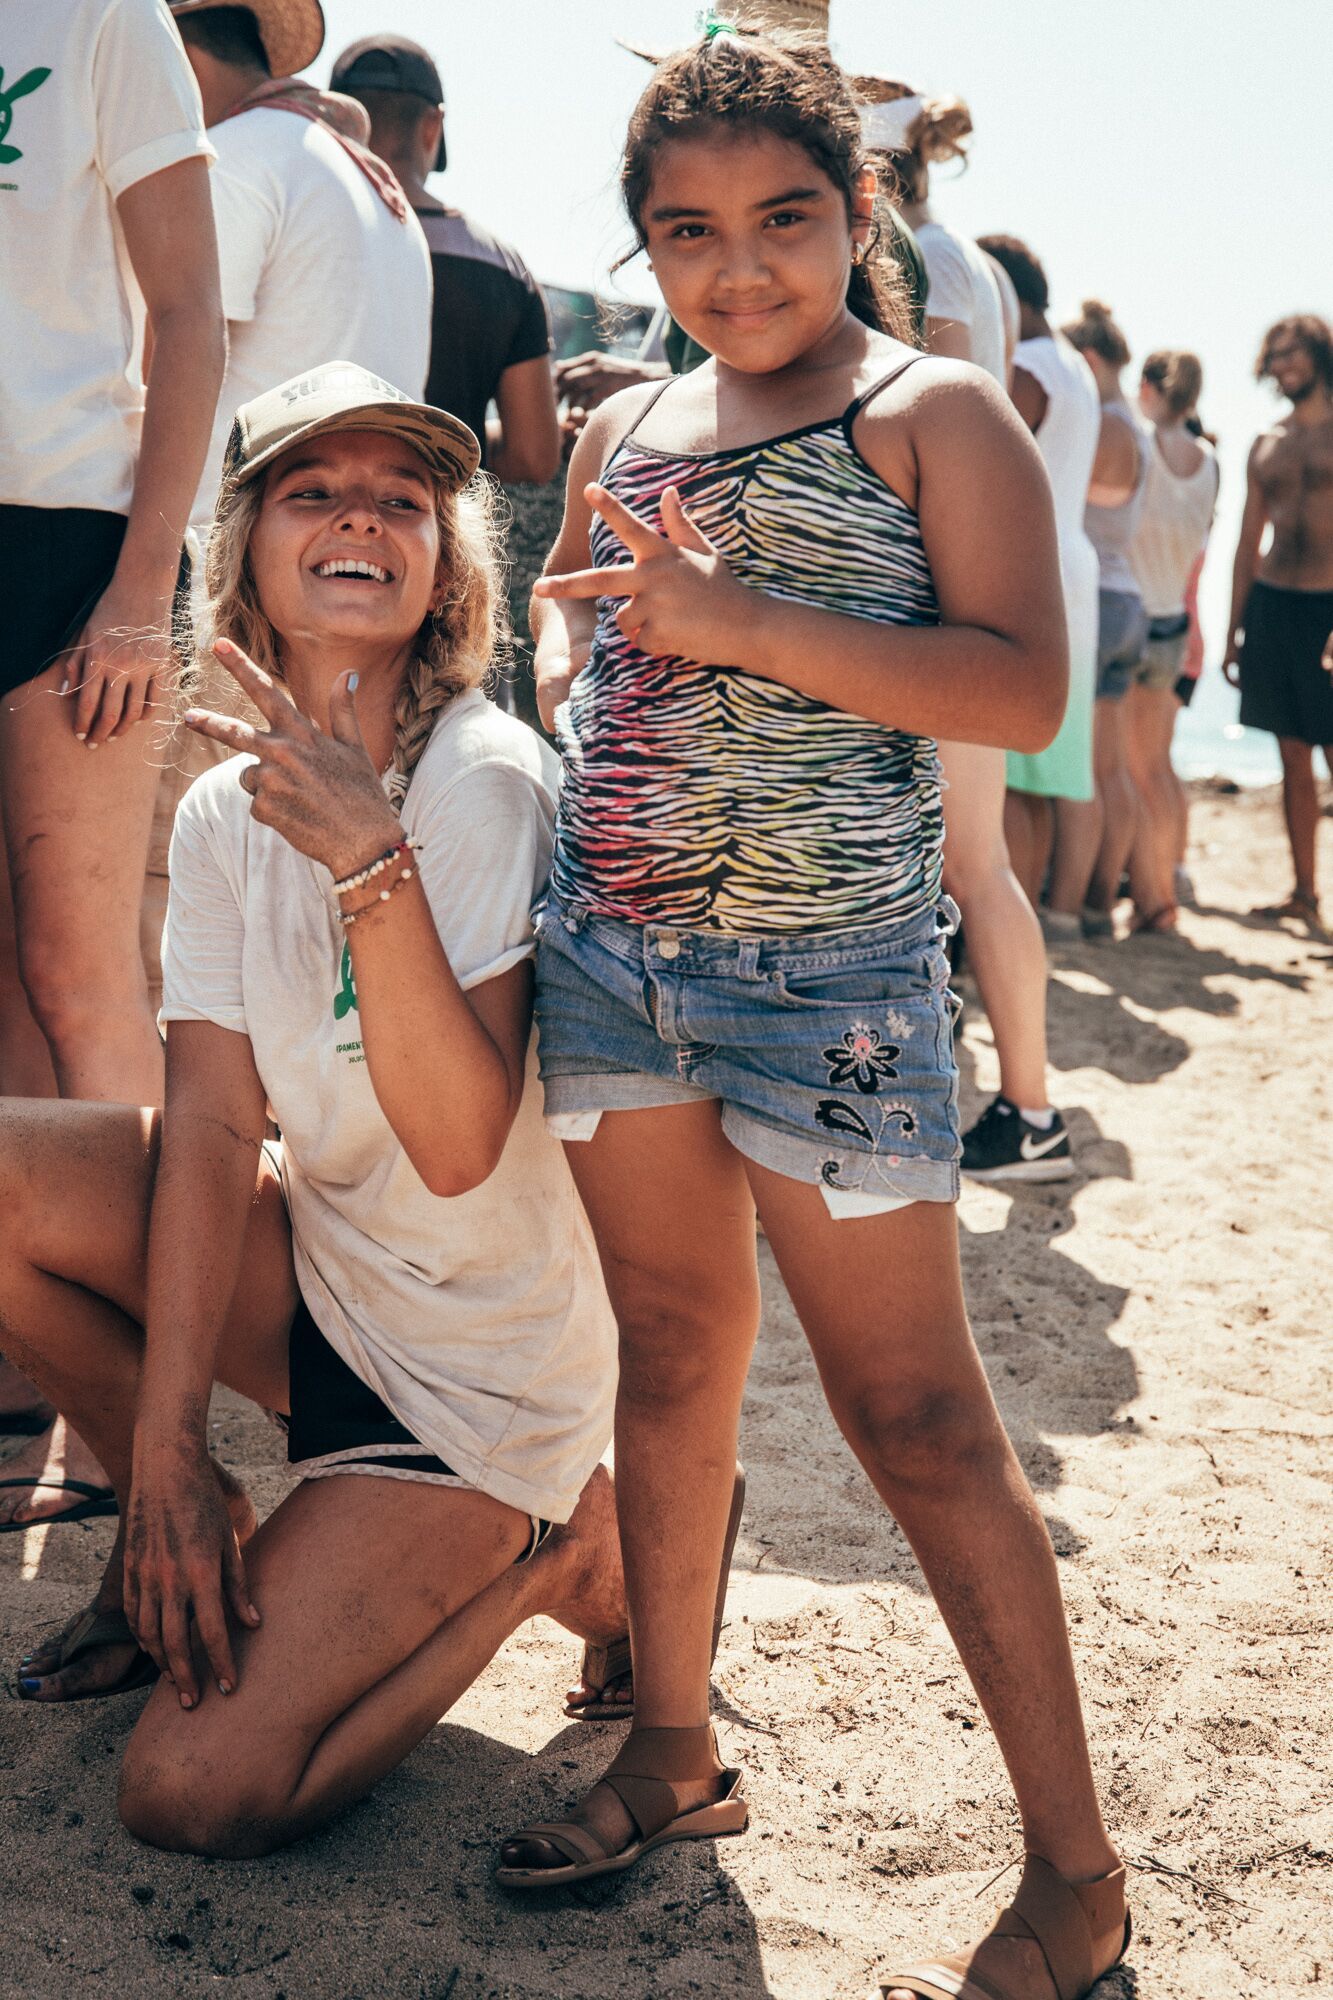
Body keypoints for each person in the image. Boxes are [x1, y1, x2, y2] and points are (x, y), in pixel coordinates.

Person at [495, 32, 1130, 2000]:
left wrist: (744, 622)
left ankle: (1078, 1877)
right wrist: (564, 645)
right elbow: (580, 624)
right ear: (649, 250)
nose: (736, 269)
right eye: (686, 233)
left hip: (834, 993)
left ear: (857, 216)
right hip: (617, 962)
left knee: (918, 1413)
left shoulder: (936, 410)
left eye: (782, 219)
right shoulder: (625, 430)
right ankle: (676, 1747)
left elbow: (1023, 697)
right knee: (671, 1356)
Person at [6, 366, 629, 1864]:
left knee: (193, 1794)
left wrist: (371, 868)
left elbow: (462, 1144)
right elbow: (213, 1132)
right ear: (249, 556)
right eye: (314, 490)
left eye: (401, 499)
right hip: (330, 1285)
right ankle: (222, 1507)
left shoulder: (483, 783)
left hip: (477, 1377)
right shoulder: (223, 807)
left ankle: (559, 1549)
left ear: (441, 569)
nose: (361, 514)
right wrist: (161, 1455)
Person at [0, 0, 224, 1521]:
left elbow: (192, 310)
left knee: (85, 980)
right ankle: (36, 1374)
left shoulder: (101, 17)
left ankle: (151, 1419)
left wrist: (145, 586)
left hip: (72, 538)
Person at [863, 97, 1072, 1179]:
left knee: (964, 867)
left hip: (933, 591)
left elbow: (916, 416)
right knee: (974, 866)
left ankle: (1026, 1103)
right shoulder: (973, 262)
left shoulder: (924, 260)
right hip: (964, 585)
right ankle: (1027, 1106)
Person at [331, 34, 559, 488]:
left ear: (335, 121)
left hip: (306, 512)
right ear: (432, 127)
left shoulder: (300, 233)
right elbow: (534, 458)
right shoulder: (501, 266)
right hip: (433, 525)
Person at [980, 237, 1102, 933]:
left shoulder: (1026, 366)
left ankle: (1014, 918)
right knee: (1049, 776)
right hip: (1073, 563)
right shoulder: (1077, 368)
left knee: (1018, 782)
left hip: (1040, 564)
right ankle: (1042, 917)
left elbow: (993, 451)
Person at [1224, 314, 1333, 927]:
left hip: (1329, 604)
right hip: (1273, 604)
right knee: (1291, 757)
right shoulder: (1267, 441)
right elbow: (1245, 542)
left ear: (1320, 356)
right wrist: (1235, 629)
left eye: (1296, 355)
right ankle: (1305, 894)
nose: (1285, 366)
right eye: (1277, 357)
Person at [1048, 301, 1151, 936]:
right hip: (1130, 599)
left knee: (1075, 772)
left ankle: (1069, 906)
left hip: (1095, 600)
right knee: (1110, 769)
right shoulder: (1134, 427)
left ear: (1087, 360)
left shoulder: (1102, 425)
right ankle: (1096, 905)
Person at [1123, 351, 1219, 932]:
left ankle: (1154, 898)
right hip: (1174, 626)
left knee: (1129, 773)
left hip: (1135, 616)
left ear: (1153, 387)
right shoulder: (1209, 461)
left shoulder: (1142, 442)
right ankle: (1161, 892)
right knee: (1155, 769)